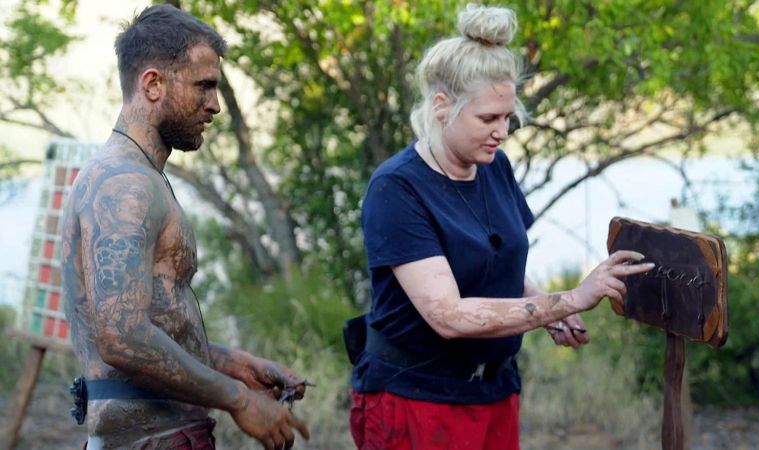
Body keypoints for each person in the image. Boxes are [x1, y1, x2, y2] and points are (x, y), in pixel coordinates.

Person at [349, 4, 655, 449]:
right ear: (442, 107)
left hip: (494, 392)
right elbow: (448, 316)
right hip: (415, 400)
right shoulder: (396, 188)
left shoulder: (494, 166)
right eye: (488, 119)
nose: (502, 131)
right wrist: (567, 299)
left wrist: (549, 312)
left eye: (508, 117)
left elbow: (500, 266)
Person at [61, 5, 309, 449]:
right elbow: (122, 338)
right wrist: (238, 400)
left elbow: (149, 327)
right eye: (204, 86)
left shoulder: (132, 176)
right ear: (152, 84)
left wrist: (232, 364)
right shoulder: (125, 185)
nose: (214, 104)